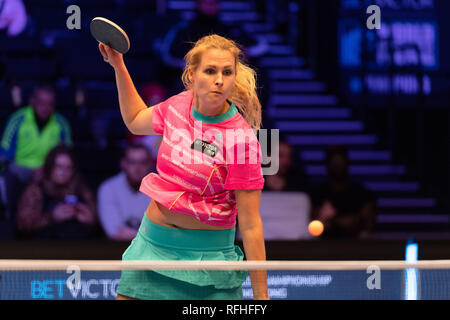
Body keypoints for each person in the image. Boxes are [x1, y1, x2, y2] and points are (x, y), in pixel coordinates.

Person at [98, 33, 269, 300]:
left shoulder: (241, 140)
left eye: (227, 72)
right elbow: (134, 120)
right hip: (152, 246)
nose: (219, 80)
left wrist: (262, 297)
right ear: (191, 74)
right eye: (210, 71)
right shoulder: (178, 105)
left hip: (208, 261)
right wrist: (119, 65)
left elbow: (250, 225)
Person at [0, 84, 72, 224]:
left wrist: (46, 169)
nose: (45, 108)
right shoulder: (18, 120)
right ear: (32, 101)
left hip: (49, 171)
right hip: (20, 169)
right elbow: (4, 155)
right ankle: (9, 219)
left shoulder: (60, 123)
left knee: (66, 174)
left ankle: (62, 222)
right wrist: (29, 171)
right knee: (6, 178)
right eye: (41, 103)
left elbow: (67, 155)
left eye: (49, 104)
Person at [16, 145, 97, 239]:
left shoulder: (82, 190)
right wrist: (51, 218)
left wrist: (91, 221)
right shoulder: (36, 190)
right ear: (49, 167)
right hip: (44, 248)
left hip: (79, 246)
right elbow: (22, 225)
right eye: (59, 167)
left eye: (68, 167)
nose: (63, 172)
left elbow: (98, 223)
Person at [309, 145, 377, 238]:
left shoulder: (361, 193)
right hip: (323, 246)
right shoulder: (317, 193)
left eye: (340, 163)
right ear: (327, 165)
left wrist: (335, 221)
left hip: (356, 246)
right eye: (334, 163)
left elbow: (368, 225)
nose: (337, 167)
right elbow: (312, 224)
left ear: (347, 163)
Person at [98, 143, 155, 241]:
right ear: (123, 164)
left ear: (150, 164)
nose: (137, 168)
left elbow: (164, 234)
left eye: (142, 163)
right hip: (117, 251)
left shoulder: (161, 189)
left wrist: (130, 233)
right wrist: (149, 235)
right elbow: (114, 232)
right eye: (132, 162)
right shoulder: (108, 188)